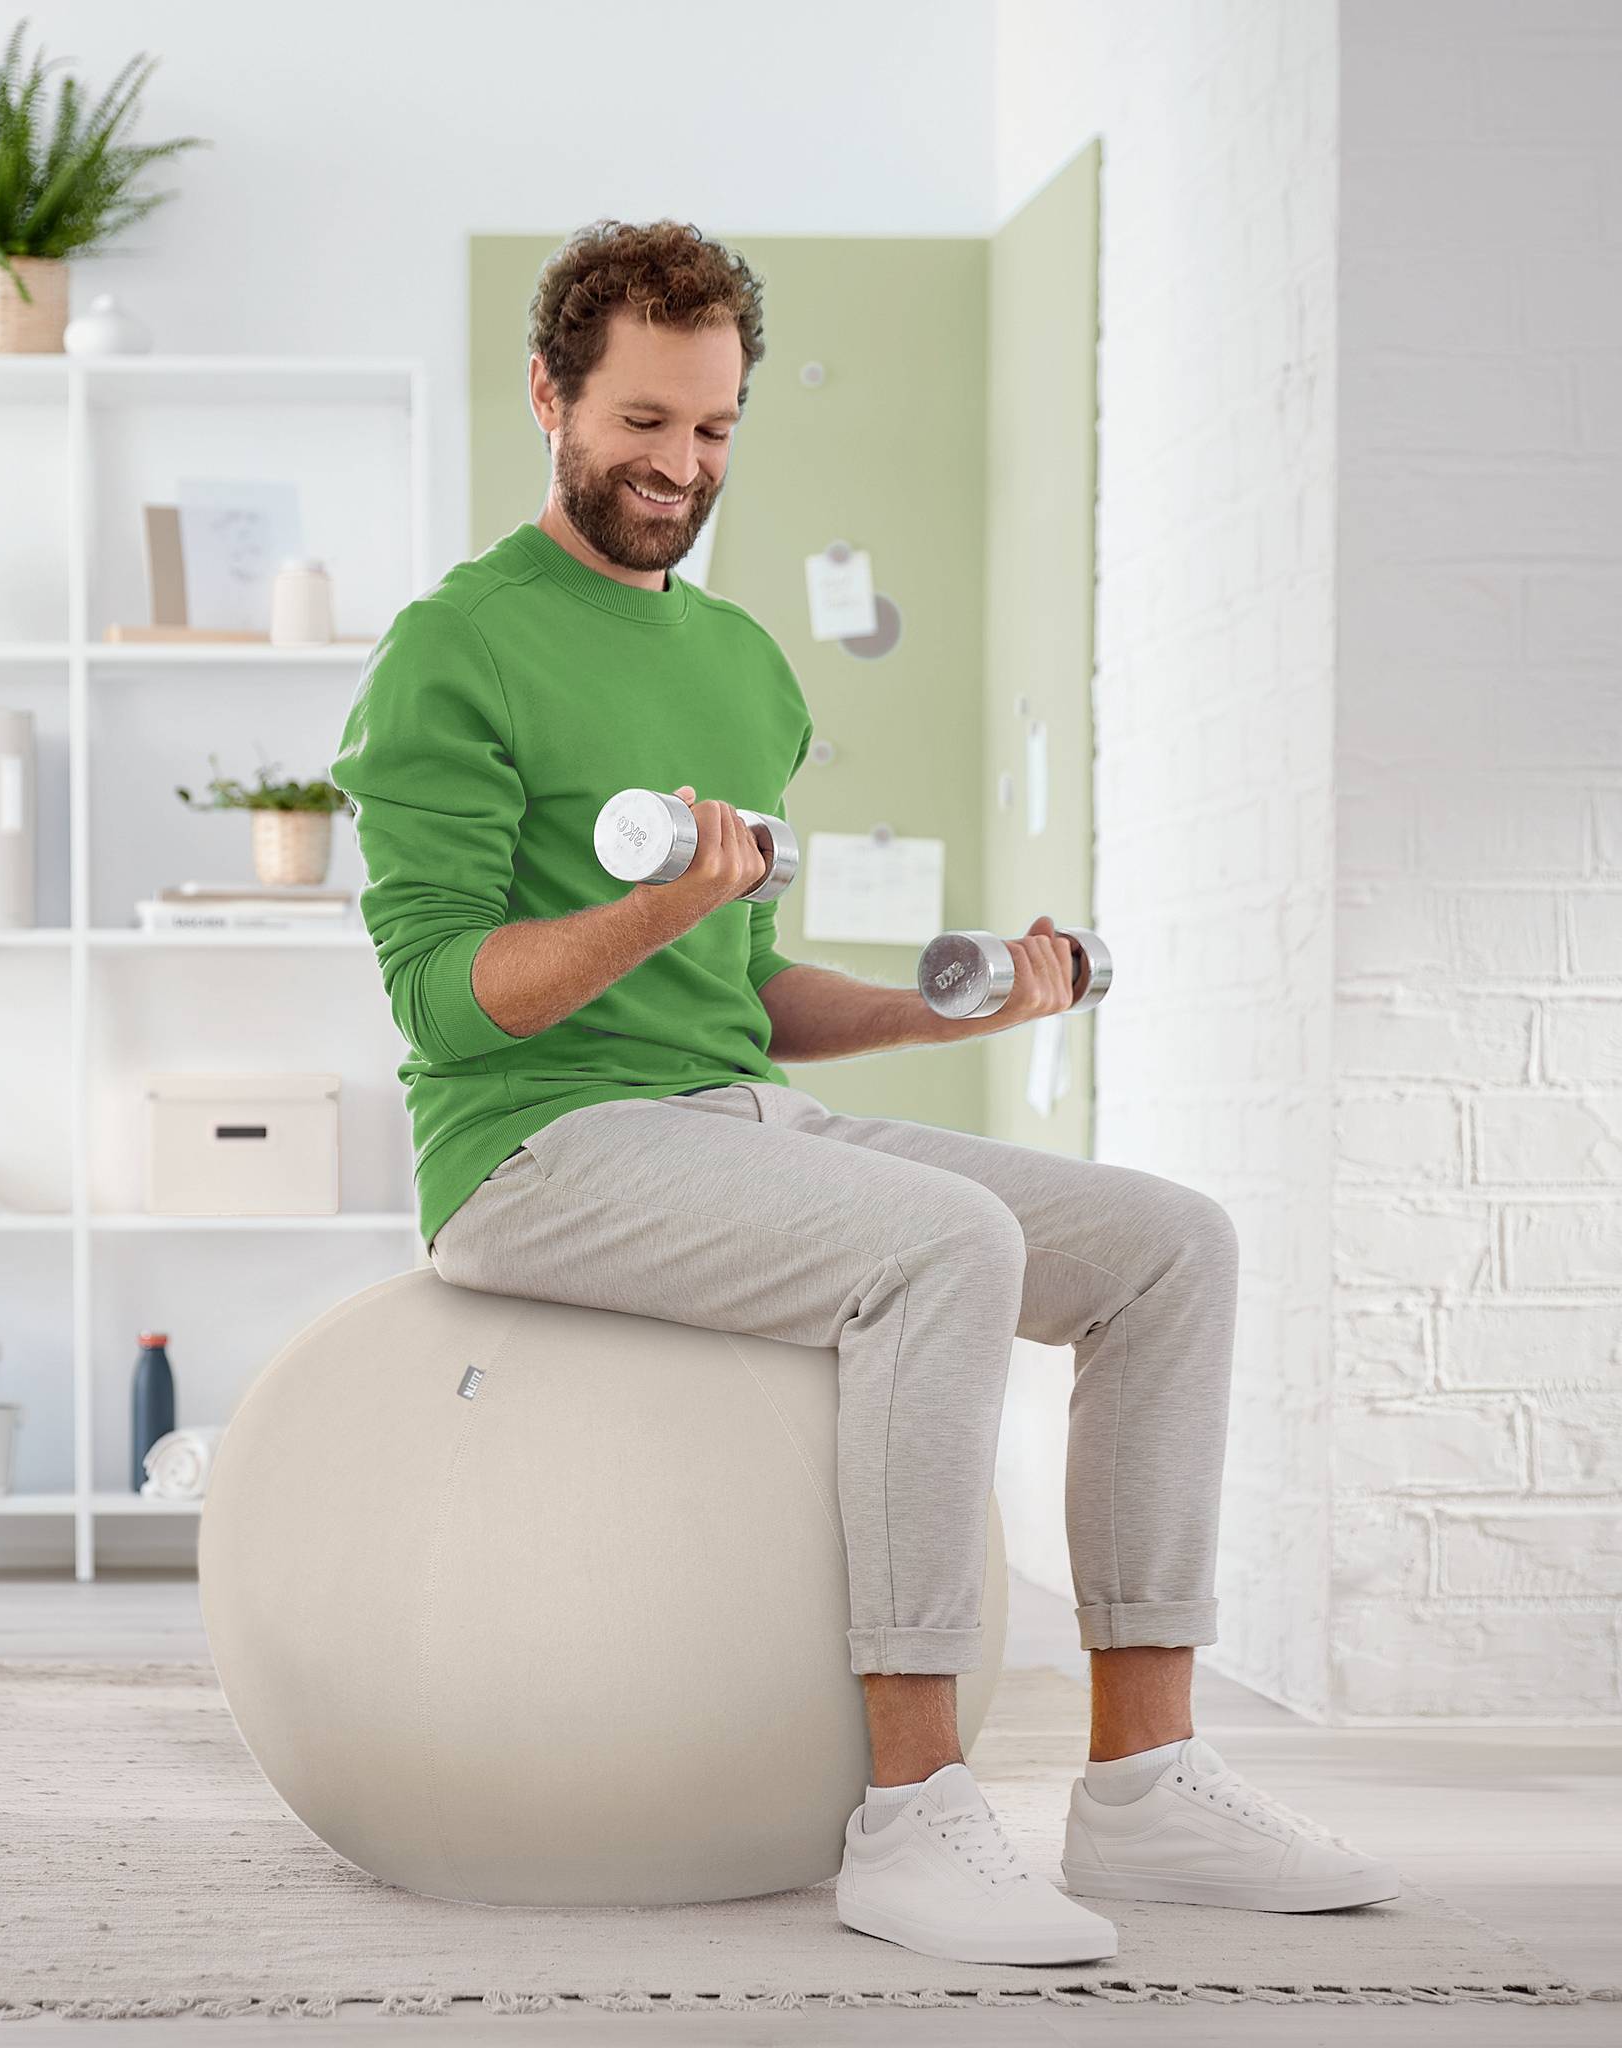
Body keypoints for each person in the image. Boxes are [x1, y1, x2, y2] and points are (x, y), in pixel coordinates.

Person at [330, 217, 1397, 1966]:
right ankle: (913, 1814)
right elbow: (448, 1003)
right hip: (534, 1149)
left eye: (717, 431)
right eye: (645, 423)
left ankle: (1147, 1782)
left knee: (1170, 1245)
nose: (681, 468)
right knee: (947, 1247)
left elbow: (739, 998)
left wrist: (933, 1010)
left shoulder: (746, 665)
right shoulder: (455, 649)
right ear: (548, 397)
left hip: (740, 1122)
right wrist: (657, 901)